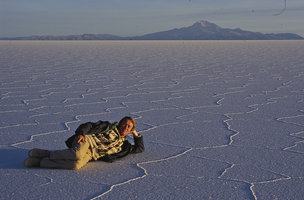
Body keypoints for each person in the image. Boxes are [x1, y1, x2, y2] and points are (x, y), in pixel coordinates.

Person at [24, 116, 144, 170]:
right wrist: (81, 133)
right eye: (124, 123)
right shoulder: (108, 126)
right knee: (76, 154)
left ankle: (40, 162)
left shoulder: (125, 146)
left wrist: (136, 135)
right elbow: (89, 125)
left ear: (130, 131)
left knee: (75, 165)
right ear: (120, 123)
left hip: (93, 154)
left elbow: (139, 149)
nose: (125, 127)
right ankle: (45, 154)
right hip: (87, 141)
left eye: (129, 127)